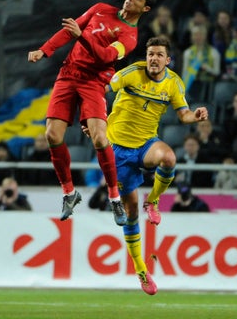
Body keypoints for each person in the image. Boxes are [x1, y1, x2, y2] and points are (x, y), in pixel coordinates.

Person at [84, 36, 208, 294]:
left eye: (159, 54)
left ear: (168, 60)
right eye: (150, 53)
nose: (153, 58)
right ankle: (141, 270)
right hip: (117, 150)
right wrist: (92, 120)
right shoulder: (131, 73)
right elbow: (100, 89)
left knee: (169, 158)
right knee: (130, 214)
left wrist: (194, 116)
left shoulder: (174, 83)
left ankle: (153, 200)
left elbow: (183, 113)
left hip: (146, 144)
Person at [27, 0, 157, 225]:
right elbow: (69, 31)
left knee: (99, 138)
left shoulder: (129, 36)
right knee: (52, 135)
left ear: (145, 7)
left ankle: (114, 197)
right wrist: (44, 50)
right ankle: (69, 192)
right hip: (68, 74)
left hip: (94, 81)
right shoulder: (100, 9)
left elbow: (106, 57)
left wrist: (82, 36)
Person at [182, 24, 220, 101]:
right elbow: (184, 73)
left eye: (200, 35)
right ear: (192, 37)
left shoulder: (213, 52)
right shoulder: (187, 53)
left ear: (205, 36)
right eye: (195, 35)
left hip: (208, 86)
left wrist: (207, 68)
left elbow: (217, 72)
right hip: (191, 86)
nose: (198, 37)